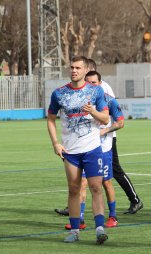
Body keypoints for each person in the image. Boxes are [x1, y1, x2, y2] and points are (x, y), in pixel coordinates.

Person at [54, 59, 143, 216]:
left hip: (106, 141)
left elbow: (114, 118)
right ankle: (77, 213)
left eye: (93, 81)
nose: (90, 83)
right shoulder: (80, 93)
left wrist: (105, 131)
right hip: (85, 143)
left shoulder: (104, 92)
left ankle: (121, 209)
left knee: (109, 177)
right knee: (81, 181)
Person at [47, 56, 109, 244]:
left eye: (78, 68)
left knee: (96, 187)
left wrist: (93, 112)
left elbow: (105, 119)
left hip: (92, 148)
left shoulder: (96, 91)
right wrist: (55, 143)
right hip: (71, 151)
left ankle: (99, 228)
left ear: (85, 70)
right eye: (72, 67)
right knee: (74, 189)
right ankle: (74, 230)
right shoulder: (59, 93)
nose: (74, 70)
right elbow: (50, 118)